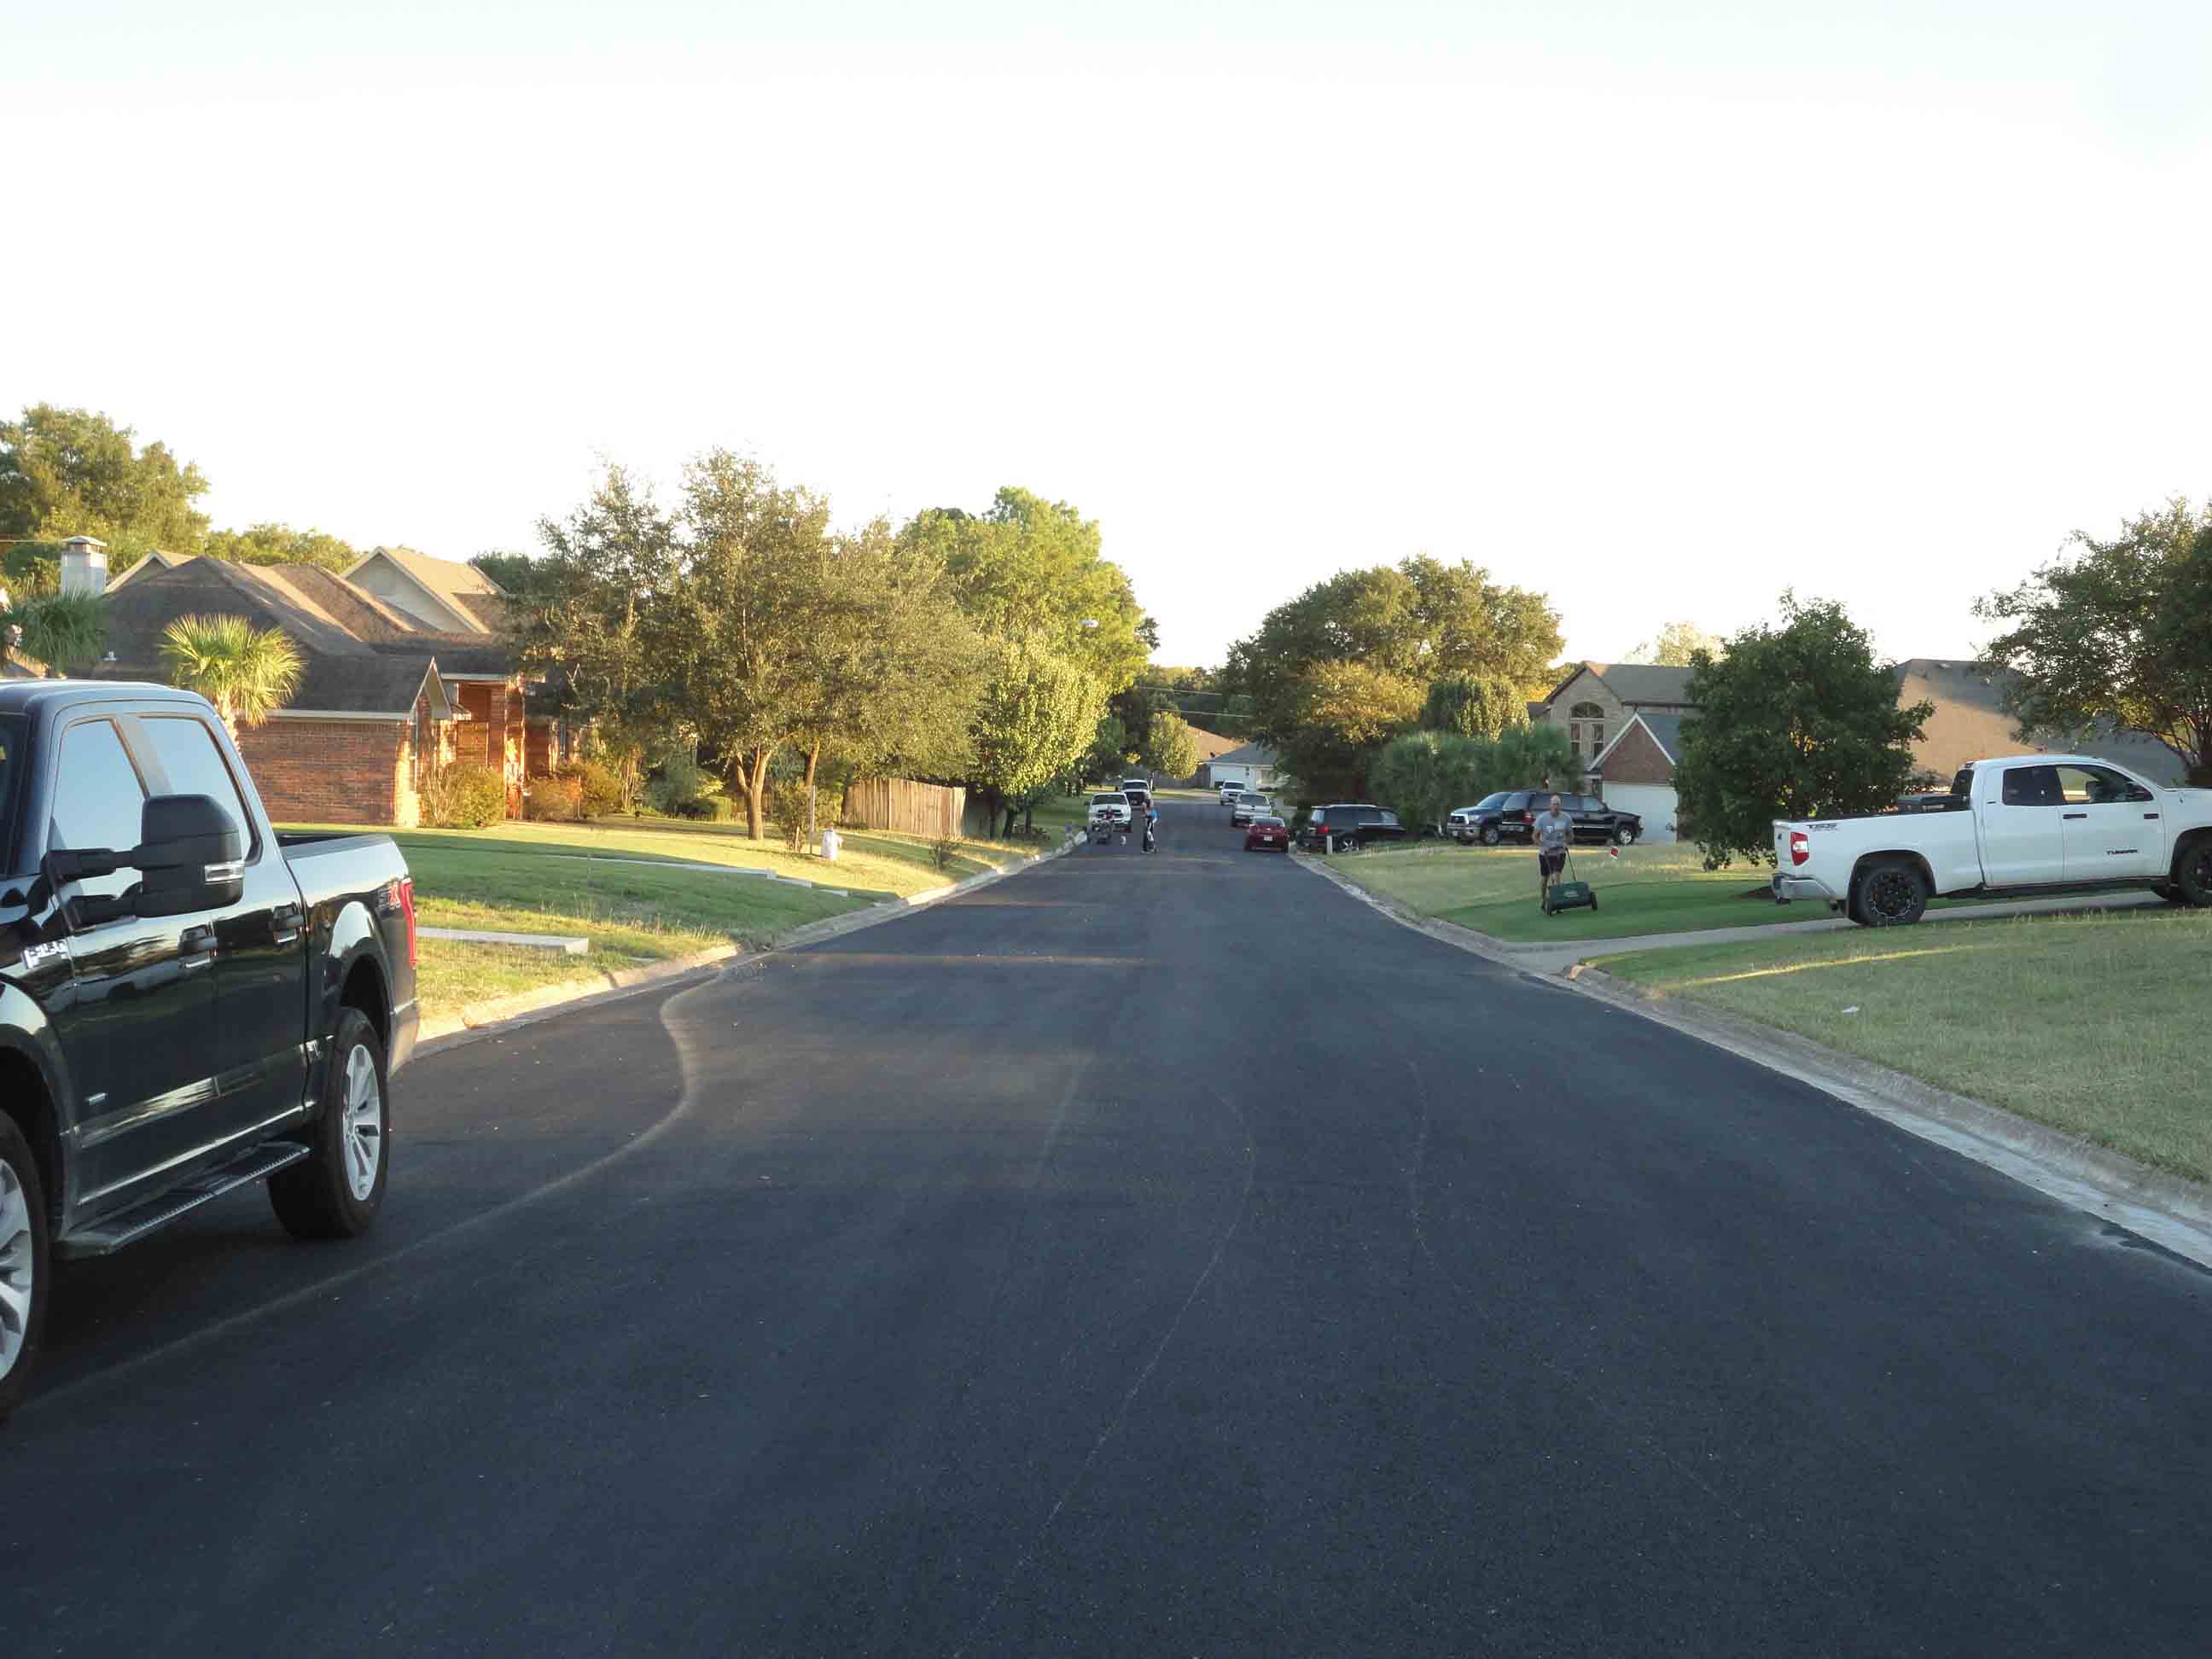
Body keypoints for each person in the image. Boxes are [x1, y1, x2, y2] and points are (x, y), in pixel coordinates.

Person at [1533, 792, 1574, 906]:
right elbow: (1534, 836)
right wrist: (1543, 845)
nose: (1556, 807)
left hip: (1559, 852)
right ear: (1550, 805)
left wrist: (1566, 842)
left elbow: (1571, 835)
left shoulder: (1566, 818)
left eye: (1558, 804)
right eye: (1554, 804)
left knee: (1556, 877)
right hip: (1545, 853)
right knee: (1545, 878)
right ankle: (1543, 899)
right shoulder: (1542, 819)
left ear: (1561, 806)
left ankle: (1556, 902)